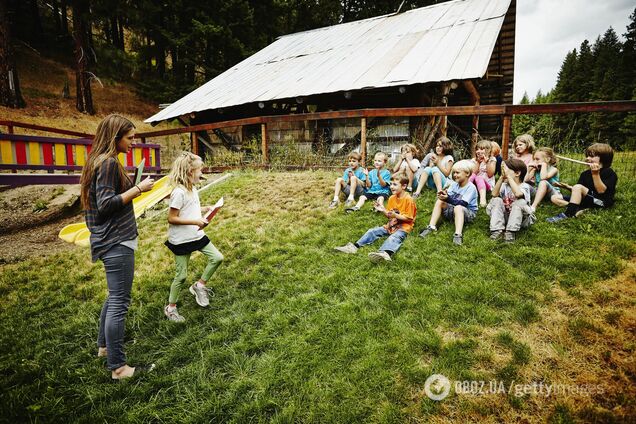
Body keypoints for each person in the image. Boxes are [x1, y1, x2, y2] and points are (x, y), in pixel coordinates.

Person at [80, 114, 155, 380]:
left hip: (108, 239)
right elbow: (106, 205)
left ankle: (104, 348)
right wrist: (138, 189)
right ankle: (119, 368)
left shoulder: (97, 161)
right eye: (130, 138)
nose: (133, 143)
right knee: (119, 302)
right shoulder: (109, 162)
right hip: (115, 240)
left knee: (114, 297)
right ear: (115, 138)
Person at [164, 152, 224, 322]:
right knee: (181, 276)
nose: (201, 173)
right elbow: (172, 218)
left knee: (217, 258)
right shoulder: (178, 193)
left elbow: (189, 208)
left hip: (196, 235)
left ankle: (199, 285)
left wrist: (205, 209)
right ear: (190, 172)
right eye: (199, 170)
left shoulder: (193, 189)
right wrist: (195, 221)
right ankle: (171, 308)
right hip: (182, 240)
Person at [334, 173, 417, 262]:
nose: (391, 187)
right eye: (391, 184)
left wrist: (395, 215)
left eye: (395, 184)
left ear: (404, 186)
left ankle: (385, 253)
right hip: (390, 226)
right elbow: (389, 215)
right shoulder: (392, 198)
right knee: (372, 231)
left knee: (394, 238)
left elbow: (409, 219)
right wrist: (382, 210)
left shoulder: (409, 200)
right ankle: (354, 247)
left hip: (403, 228)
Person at [547, 143, 618, 223]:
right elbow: (579, 192)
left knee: (578, 187)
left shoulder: (609, 172)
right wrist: (567, 187)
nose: (587, 158)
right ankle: (577, 208)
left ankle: (568, 214)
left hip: (601, 202)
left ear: (603, 158)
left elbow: (601, 191)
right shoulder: (585, 174)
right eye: (587, 156)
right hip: (587, 200)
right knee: (555, 197)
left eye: (591, 156)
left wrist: (595, 174)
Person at [419, 160, 478, 246]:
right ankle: (431, 227)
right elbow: (448, 197)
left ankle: (458, 235)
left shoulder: (471, 187)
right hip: (454, 211)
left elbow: (463, 203)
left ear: (467, 174)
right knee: (440, 201)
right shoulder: (454, 184)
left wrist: (448, 198)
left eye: (457, 173)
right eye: (454, 173)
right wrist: (443, 195)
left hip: (467, 213)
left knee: (458, 206)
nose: (455, 175)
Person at [486, 158, 536, 242]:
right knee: (496, 200)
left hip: (521, 219)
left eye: (505, 170)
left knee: (520, 202)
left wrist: (509, 177)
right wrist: (501, 178)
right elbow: (494, 194)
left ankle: (510, 232)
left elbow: (518, 194)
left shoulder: (524, 186)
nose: (503, 172)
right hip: (507, 216)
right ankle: (497, 230)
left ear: (517, 173)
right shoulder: (504, 185)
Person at [526, 147, 568, 212]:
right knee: (524, 185)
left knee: (543, 182)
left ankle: (533, 206)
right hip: (539, 193)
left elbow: (543, 177)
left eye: (537, 159)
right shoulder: (536, 170)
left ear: (547, 159)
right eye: (534, 159)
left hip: (553, 194)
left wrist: (544, 165)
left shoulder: (554, 169)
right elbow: (526, 180)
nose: (535, 162)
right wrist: (529, 170)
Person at [469, 139, 496, 208]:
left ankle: (483, 200)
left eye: (481, 149)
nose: (478, 151)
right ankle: (465, 190)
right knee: (473, 176)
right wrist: (478, 162)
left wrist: (487, 163)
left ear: (488, 150)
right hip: (475, 183)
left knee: (479, 177)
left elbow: (490, 174)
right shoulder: (474, 160)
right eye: (477, 149)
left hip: (487, 185)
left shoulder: (492, 160)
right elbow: (473, 173)